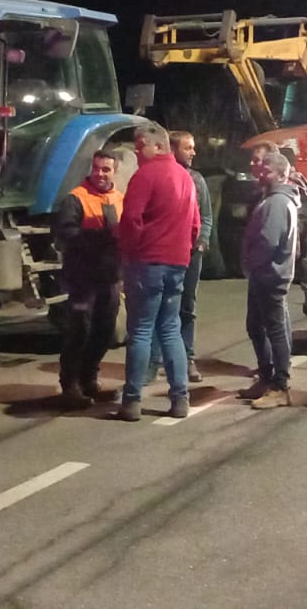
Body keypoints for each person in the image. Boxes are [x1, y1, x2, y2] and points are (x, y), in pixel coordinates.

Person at [114, 123, 199, 422]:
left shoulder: (145, 176)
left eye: (140, 146)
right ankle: (180, 399)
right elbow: (195, 226)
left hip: (147, 263)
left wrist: (128, 254)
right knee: (170, 329)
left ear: (158, 146)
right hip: (177, 263)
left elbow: (131, 220)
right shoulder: (185, 178)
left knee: (140, 331)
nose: (136, 153)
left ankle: (132, 401)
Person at [52, 150, 124, 409]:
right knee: (79, 331)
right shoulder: (76, 199)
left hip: (110, 278)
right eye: (97, 168)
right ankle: (70, 384)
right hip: (83, 278)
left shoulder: (119, 199)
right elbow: (66, 233)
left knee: (104, 332)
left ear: (114, 171)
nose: (101, 174)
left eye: (106, 169)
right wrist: (103, 236)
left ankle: (89, 379)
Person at [240, 149, 302, 409]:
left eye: (266, 170)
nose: (261, 173)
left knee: (275, 330)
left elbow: (268, 241)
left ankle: (280, 385)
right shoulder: (275, 199)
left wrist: (251, 263)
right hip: (265, 273)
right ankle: (267, 377)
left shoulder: (277, 202)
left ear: (280, 173)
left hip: (270, 275)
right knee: (256, 326)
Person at [147, 131, 210, 385]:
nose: (193, 152)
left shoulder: (197, 180)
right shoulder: (158, 176)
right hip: (164, 253)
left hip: (190, 254)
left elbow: (205, 216)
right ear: (173, 149)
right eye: (188, 148)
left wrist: (202, 241)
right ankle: (153, 362)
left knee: (187, 306)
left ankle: (187, 358)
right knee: (156, 308)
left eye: (193, 147)